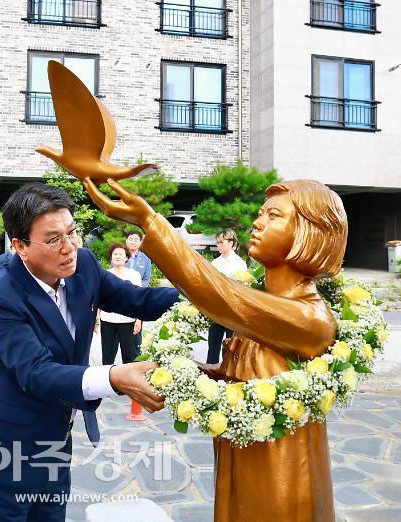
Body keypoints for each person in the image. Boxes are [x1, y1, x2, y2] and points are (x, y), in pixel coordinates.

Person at [83, 177, 346, 522]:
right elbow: (249, 378)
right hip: (242, 449)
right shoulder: (265, 304)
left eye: (274, 216)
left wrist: (150, 222)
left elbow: (222, 296)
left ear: (308, 234)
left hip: (282, 466)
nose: (257, 222)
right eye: (261, 213)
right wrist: (194, 377)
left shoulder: (310, 317)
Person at [0, 183, 178, 521]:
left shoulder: (84, 266)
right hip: (3, 451)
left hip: (54, 446)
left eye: (72, 232)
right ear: (20, 245)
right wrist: (114, 377)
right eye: (54, 239)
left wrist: (207, 298)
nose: (69, 247)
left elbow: (139, 301)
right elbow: (38, 373)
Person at [207, 229, 247, 364]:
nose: (219, 245)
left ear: (231, 243)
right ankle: (210, 372)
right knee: (213, 344)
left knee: (232, 345)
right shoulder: (215, 263)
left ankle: (230, 372)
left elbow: (242, 287)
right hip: (216, 309)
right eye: (217, 243)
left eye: (222, 242)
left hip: (232, 309)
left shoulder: (239, 263)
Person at [98, 243, 142, 364]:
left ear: (127, 257)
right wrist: (96, 319)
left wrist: (139, 320)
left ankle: (130, 381)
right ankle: (106, 380)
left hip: (128, 321)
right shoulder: (104, 275)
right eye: (115, 254)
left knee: (130, 355)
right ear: (111, 257)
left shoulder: (134, 275)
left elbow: (139, 298)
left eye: (121, 254)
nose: (118, 256)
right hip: (108, 320)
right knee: (107, 355)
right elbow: (99, 298)